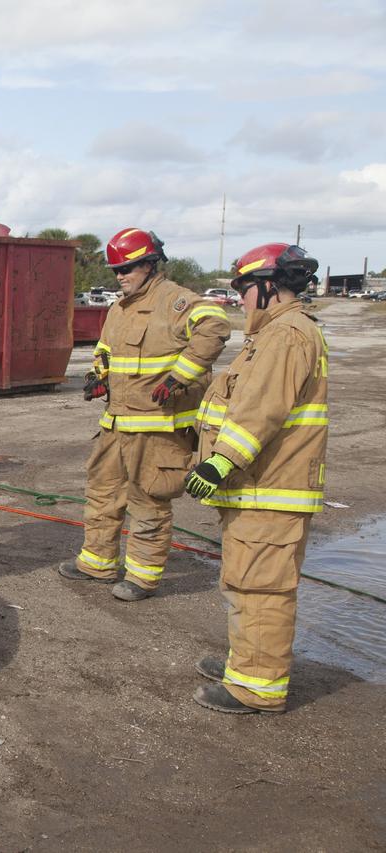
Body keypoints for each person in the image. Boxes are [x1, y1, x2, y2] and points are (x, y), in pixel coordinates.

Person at [184, 243, 327, 714]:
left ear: (268, 287)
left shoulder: (287, 336)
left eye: (244, 289)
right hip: (258, 487)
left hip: (271, 489)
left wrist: (219, 462)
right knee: (245, 580)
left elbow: (261, 411)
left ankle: (256, 687)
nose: (240, 300)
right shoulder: (273, 335)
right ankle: (244, 663)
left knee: (261, 587)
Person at [59, 227, 231, 601]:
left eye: (130, 268)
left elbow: (216, 327)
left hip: (157, 428)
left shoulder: (177, 301)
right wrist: (97, 377)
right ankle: (97, 563)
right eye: (117, 270)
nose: (121, 276)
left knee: (148, 501)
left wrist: (180, 377)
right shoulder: (119, 309)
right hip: (116, 424)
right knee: (103, 493)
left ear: (152, 265)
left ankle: (143, 577)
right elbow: (105, 349)